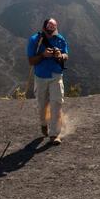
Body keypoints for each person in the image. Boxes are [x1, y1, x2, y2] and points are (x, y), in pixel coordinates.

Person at [27, 17, 69, 145]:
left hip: (56, 75)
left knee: (56, 103)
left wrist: (60, 56)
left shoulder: (60, 39)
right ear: (44, 27)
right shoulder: (35, 40)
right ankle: (43, 123)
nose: (51, 30)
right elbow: (31, 61)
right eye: (49, 27)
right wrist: (43, 55)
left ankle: (54, 134)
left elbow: (66, 55)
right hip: (41, 77)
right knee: (42, 105)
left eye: (54, 27)